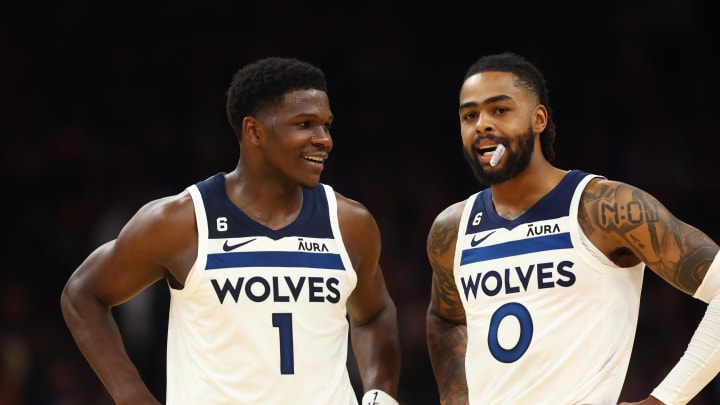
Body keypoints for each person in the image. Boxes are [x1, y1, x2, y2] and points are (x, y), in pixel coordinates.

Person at [60, 56, 401, 405]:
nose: (324, 139)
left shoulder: (348, 223)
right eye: (305, 124)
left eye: (326, 125)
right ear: (254, 131)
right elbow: (82, 295)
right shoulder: (181, 222)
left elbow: (374, 313)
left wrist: (379, 393)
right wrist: (132, 395)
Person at [425, 52, 720, 405]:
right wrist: (454, 396)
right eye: (469, 115)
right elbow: (444, 318)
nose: (482, 124)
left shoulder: (604, 208)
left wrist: (665, 400)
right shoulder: (452, 229)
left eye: (499, 110)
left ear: (538, 119)